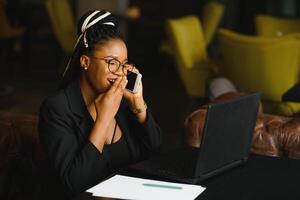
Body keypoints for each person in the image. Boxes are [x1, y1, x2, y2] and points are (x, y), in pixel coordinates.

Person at [38, 9, 162, 198]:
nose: (120, 72)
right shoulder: (57, 110)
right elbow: (74, 184)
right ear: (85, 62)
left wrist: (139, 104)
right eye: (112, 62)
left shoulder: (121, 100)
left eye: (124, 64)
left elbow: (154, 151)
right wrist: (103, 118)